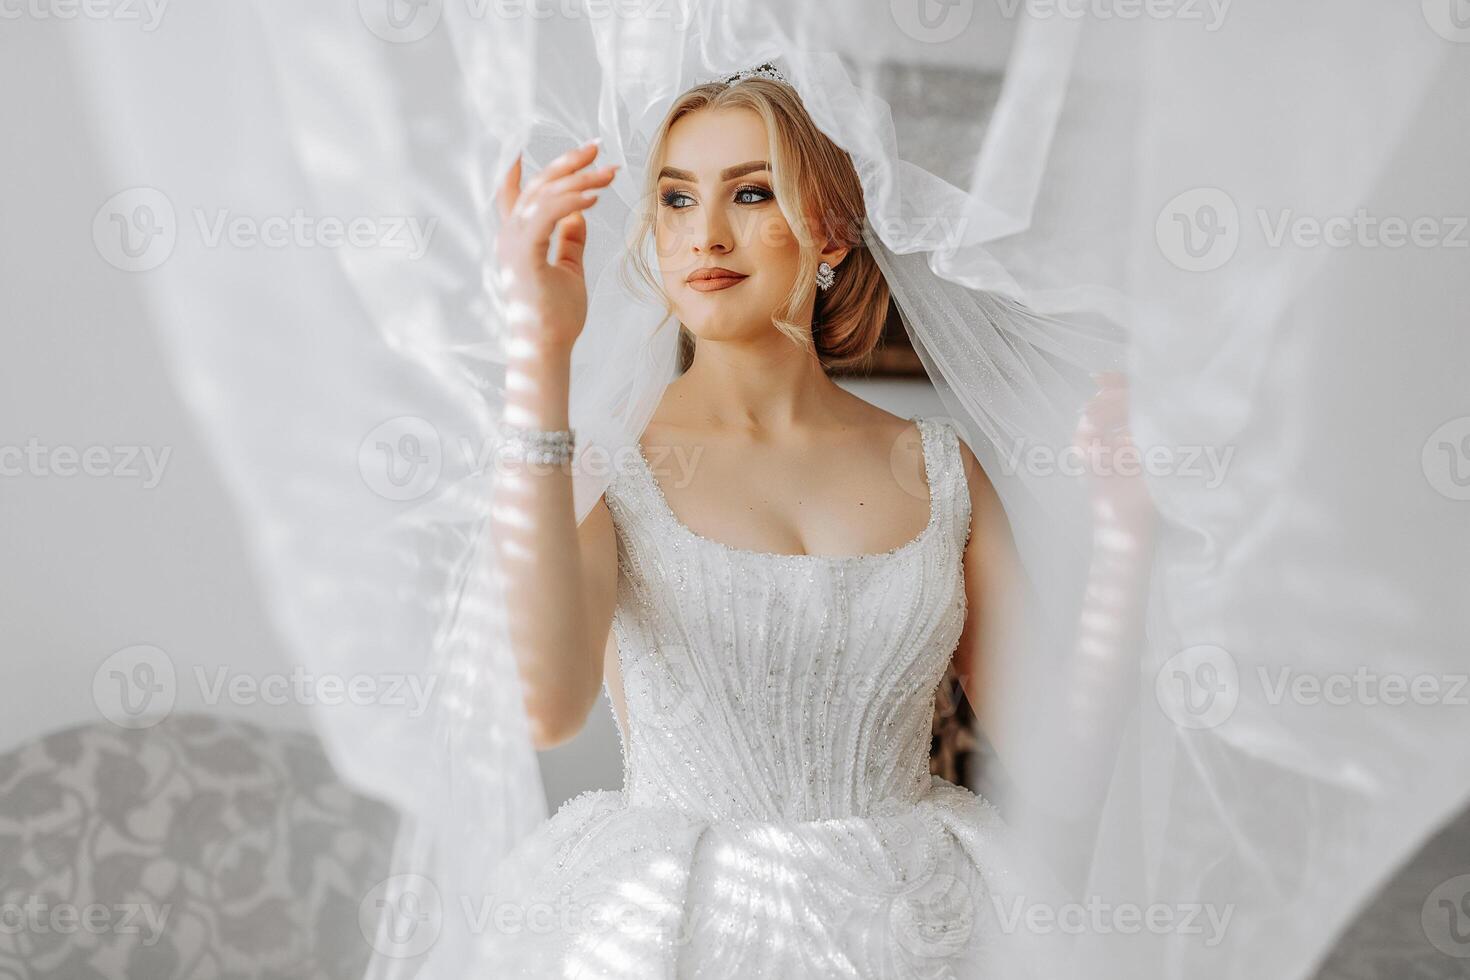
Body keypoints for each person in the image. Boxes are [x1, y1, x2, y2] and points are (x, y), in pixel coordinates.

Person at [481, 71, 1144, 978]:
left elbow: (1062, 762)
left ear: (831, 228)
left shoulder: (941, 467)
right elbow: (546, 706)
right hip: (676, 930)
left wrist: (1126, 534)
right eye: (677, 199)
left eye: (751, 193)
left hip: (920, 930)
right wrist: (540, 354)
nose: (705, 233)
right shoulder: (608, 461)